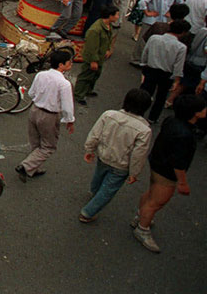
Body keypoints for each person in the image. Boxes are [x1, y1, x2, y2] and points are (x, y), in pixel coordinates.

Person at [133, 95, 206, 253]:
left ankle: (141, 216)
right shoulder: (185, 134)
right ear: (195, 113)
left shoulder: (171, 120)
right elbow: (178, 163)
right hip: (166, 172)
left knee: (151, 193)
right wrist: (182, 182)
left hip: (157, 163)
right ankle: (142, 227)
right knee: (156, 202)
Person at [79, 89, 152, 223]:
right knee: (109, 189)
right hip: (121, 165)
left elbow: (95, 134)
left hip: (103, 155)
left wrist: (89, 150)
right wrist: (134, 173)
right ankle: (87, 213)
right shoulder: (144, 130)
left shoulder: (109, 115)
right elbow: (138, 154)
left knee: (99, 175)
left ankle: (94, 193)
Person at [16, 50, 75, 181]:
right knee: (48, 146)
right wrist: (69, 120)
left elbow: (31, 93)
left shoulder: (41, 75)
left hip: (34, 110)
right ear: (61, 65)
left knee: (35, 142)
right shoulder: (64, 84)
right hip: (49, 116)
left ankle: (33, 167)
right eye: (69, 62)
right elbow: (67, 106)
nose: (71, 63)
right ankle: (26, 166)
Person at [140, 20, 188, 123]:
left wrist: (144, 65)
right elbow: (178, 66)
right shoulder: (181, 47)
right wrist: (177, 80)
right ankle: (152, 118)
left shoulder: (154, 38)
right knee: (161, 97)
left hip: (151, 69)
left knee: (145, 93)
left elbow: (145, 53)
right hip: (166, 74)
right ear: (182, 32)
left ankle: (138, 112)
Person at [73, 6, 119, 106]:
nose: (118, 17)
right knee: (86, 75)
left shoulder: (107, 26)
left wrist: (108, 50)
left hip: (101, 56)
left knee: (95, 75)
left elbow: (108, 39)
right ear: (110, 16)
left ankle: (88, 90)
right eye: (116, 15)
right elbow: (91, 47)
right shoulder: (95, 29)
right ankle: (79, 94)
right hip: (93, 57)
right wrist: (93, 61)